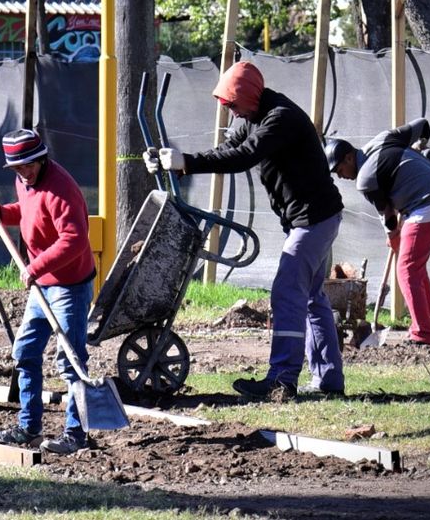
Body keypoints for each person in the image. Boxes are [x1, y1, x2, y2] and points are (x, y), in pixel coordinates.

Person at [145, 61, 346, 401]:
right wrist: (178, 163)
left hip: (313, 220)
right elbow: (226, 150)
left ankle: (282, 380)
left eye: (233, 105)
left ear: (249, 95)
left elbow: (244, 157)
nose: (232, 113)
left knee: (287, 293)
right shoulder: (252, 116)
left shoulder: (280, 118)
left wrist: (189, 163)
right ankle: (328, 380)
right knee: (311, 298)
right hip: (313, 218)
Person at [0, 128, 98, 453]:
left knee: (70, 360)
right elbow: (30, 210)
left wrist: (34, 268)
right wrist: (4, 212)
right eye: (17, 168)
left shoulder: (62, 189)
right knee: (25, 352)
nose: (24, 172)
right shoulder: (25, 180)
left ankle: (76, 435)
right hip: (42, 286)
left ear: (42, 157)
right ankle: (28, 427)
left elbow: (74, 240)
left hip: (69, 286)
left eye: (29, 165)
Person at [326, 118, 430, 346]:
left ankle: (421, 334)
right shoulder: (382, 139)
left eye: (339, 169)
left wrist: (393, 236)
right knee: (415, 266)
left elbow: (387, 215)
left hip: (428, 204)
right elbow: (423, 125)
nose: (340, 176)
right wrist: (422, 143)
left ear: (348, 157)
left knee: (406, 269)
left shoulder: (365, 178)